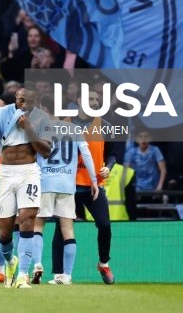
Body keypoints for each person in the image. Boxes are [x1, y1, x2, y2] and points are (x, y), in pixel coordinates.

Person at [0, 82, 52, 288]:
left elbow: (46, 151)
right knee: (3, 231)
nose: (22, 103)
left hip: (29, 172)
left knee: (28, 218)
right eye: (20, 99)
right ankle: (11, 261)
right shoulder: (2, 113)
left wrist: (28, 127)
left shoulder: (41, 118)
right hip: (6, 173)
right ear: (15, 99)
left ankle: (22, 276)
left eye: (27, 100)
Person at [51, 87, 117, 284]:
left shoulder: (105, 125)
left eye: (97, 99)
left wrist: (109, 167)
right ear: (79, 100)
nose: (95, 102)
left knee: (104, 225)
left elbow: (113, 153)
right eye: (91, 98)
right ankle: (58, 273)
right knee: (60, 230)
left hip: (93, 186)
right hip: (68, 186)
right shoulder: (64, 124)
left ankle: (103, 263)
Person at [33, 120, 98, 285]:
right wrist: (94, 181)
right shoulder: (74, 129)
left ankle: (37, 264)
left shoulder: (40, 127)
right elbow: (87, 153)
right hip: (67, 185)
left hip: (45, 183)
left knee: (38, 226)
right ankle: (67, 275)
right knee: (67, 230)